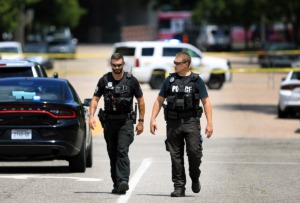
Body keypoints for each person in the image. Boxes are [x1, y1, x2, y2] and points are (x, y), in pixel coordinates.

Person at [150, 51, 213, 197]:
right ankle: (179, 187)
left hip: (191, 121)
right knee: (175, 156)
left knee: (194, 153)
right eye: (174, 62)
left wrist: (209, 123)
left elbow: (206, 102)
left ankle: (195, 176)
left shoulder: (197, 80)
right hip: (173, 122)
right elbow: (159, 100)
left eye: (177, 63)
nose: (174, 65)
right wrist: (153, 118)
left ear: (186, 64)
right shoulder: (169, 80)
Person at [89, 53, 145, 194]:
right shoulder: (104, 80)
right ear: (111, 64)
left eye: (119, 65)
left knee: (122, 150)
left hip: (126, 122)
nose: (117, 68)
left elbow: (141, 101)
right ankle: (117, 183)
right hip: (109, 123)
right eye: (114, 65)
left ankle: (123, 181)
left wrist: (141, 121)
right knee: (112, 153)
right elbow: (95, 99)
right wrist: (91, 116)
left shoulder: (131, 81)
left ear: (123, 64)